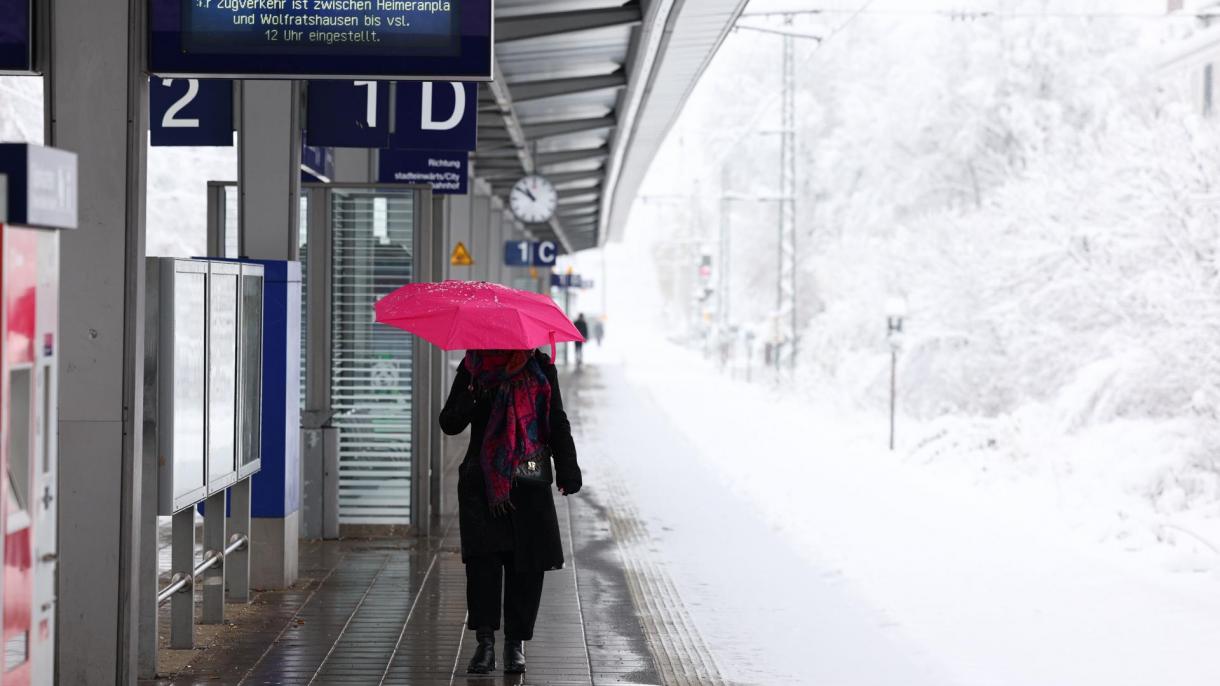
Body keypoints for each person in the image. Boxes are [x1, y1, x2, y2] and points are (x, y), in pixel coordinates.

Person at [440, 349, 583, 675]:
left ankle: (515, 644)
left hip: (528, 482)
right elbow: (449, 422)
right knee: (483, 566)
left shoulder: (541, 368)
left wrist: (568, 468)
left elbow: (555, 418)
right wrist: (473, 397)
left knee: (527, 567)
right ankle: (485, 643)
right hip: (484, 486)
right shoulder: (473, 366)